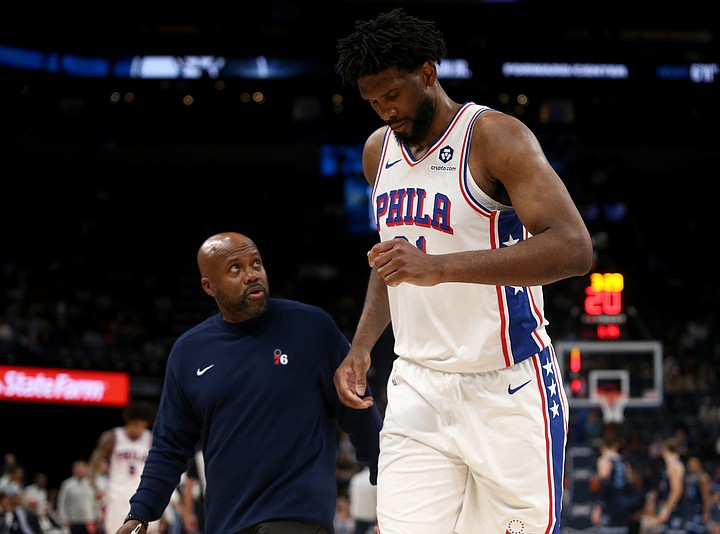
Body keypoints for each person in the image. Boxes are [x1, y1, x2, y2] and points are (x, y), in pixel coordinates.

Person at [333, 8, 593, 534]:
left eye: (393, 95)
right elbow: (392, 263)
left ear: (427, 74)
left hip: (507, 387)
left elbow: (573, 249)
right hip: (417, 386)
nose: (385, 111)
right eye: (373, 102)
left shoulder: (494, 136)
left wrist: (438, 267)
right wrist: (361, 345)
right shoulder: (376, 153)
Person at [114, 232, 382, 534]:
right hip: (225, 523)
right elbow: (170, 446)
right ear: (209, 286)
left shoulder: (312, 327)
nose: (252, 274)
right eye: (235, 268)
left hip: (296, 517)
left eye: (256, 263)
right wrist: (141, 512)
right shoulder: (189, 352)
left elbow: (358, 409)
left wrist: (388, 479)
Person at [89, 400, 162, 534]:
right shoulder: (112, 436)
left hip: (142, 495)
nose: (138, 429)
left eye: (142, 426)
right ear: (129, 421)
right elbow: (93, 465)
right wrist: (96, 487)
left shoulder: (150, 438)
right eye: (135, 425)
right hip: (116, 496)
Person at [591, 433, 633, 534]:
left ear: (603, 446)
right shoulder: (623, 460)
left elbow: (604, 483)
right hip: (624, 501)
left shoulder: (605, 459)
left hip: (610, 503)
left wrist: (598, 506)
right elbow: (630, 479)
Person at [656, 437, 686, 534]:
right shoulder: (669, 466)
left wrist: (667, 510)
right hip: (669, 508)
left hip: (676, 511)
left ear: (665, 449)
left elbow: (677, 490)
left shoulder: (676, 466)